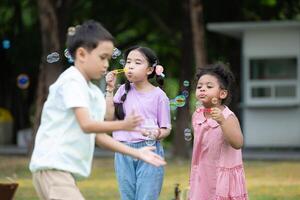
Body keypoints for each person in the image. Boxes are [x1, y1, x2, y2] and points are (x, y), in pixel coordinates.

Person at [29, 20, 166, 200]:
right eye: (102, 57)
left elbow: (99, 137)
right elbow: (87, 125)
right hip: (53, 168)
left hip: (60, 171)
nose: (107, 64)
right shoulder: (72, 81)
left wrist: (138, 153)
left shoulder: (92, 92)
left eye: (109, 58)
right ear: (81, 54)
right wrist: (123, 125)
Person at [105, 45, 171, 200]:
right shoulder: (121, 90)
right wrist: (109, 89)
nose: (131, 66)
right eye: (128, 62)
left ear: (149, 70)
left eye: (137, 62)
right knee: (127, 196)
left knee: (146, 196)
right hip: (123, 151)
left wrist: (157, 133)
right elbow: (109, 117)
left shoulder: (159, 96)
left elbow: (166, 128)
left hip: (149, 149)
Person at [189, 63, 248, 200]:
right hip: (203, 173)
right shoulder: (197, 115)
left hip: (222, 175)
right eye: (199, 87)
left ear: (222, 93)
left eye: (209, 86)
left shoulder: (228, 117)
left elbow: (238, 143)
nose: (203, 89)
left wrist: (222, 122)